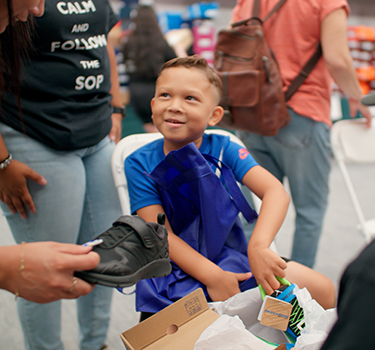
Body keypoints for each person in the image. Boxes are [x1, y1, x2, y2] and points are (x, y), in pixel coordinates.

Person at [125, 56, 335, 321]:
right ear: (153, 105)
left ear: (214, 115)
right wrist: (214, 277)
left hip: (234, 258)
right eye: (166, 95)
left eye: (190, 98)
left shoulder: (225, 148)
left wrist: (258, 247)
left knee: (323, 292)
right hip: (174, 270)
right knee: (167, 337)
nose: (175, 106)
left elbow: (275, 193)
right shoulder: (138, 162)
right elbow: (161, 236)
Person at [0, 0, 123, 349]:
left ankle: (95, 343)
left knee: (103, 258)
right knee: (41, 269)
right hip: (34, 131)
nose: (37, 10)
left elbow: (103, 40)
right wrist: (2, 162)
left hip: (97, 132)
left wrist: (115, 107)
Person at [230, 0, 373, 268]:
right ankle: (297, 292)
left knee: (253, 213)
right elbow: (338, 59)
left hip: (252, 115)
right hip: (302, 113)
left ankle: (248, 282)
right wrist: (358, 98)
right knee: (309, 212)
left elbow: (232, 49)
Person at [122, 4, 177, 133]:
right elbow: (174, 62)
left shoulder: (129, 41)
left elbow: (125, 63)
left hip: (135, 90)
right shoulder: (160, 41)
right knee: (160, 129)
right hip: (157, 88)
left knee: (144, 129)